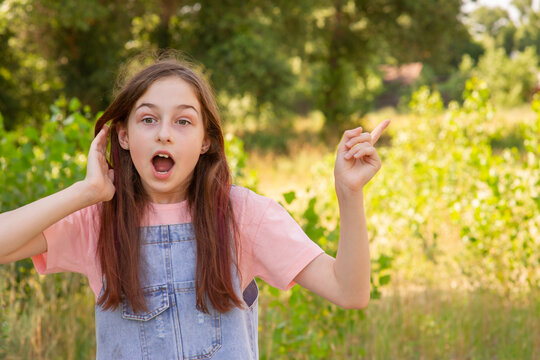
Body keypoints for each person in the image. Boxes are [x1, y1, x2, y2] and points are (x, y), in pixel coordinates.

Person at [0, 53, 390, 359]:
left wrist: (349, 193)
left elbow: (349, 291)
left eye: (183, 122)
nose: (165, 134)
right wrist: (85, 192)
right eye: (148, 120)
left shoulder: (243, 215)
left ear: (206, 140)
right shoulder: (97, 220)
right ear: (122, 135)